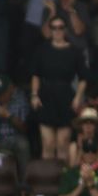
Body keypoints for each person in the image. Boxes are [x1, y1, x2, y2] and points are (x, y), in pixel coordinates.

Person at [30, 15, 88, 162]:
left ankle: (62, 182)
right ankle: (46, 181)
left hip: (66, 95)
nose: (57, 31)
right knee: (48, 143)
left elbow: (83, 78)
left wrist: (78, 98)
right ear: (50, 30)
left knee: (63, 143)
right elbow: (35, 75)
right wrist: (34, 95)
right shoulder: (42, 50)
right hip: (46, 95)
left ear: (65, 29)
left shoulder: (75, 51)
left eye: (60, 27)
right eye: (54, 27)